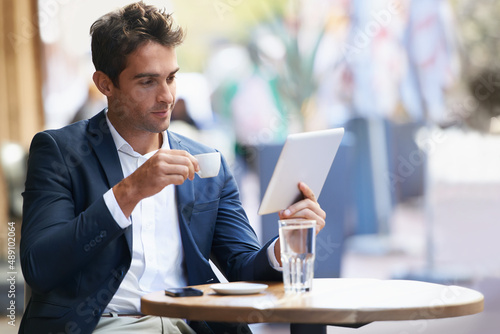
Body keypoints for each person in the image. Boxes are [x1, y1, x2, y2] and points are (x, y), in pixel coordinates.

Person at [19, 2, 326, 334]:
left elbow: (243, 268)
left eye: (171, 77)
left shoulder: (208, 162)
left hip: (191, 324)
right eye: (148, 82)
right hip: (106, 325)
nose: (167, 96)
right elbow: (40, 266)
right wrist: (129, 192)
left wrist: (284, 248)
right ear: (105, 84)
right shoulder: (60, 152)